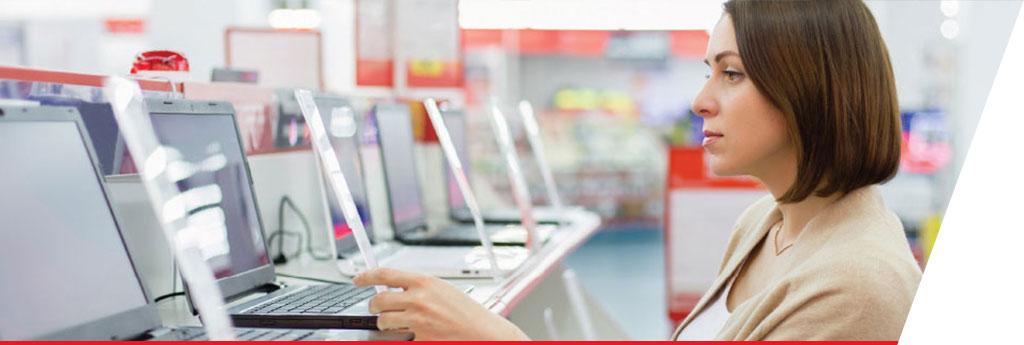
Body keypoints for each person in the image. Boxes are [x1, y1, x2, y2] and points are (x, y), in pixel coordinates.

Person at [353, 0, 922, 340]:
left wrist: (493, 334)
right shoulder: (765, 223)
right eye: (709, 71)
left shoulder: (856, 287)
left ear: (810, 90)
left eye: (732, 74)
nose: (701, 101)